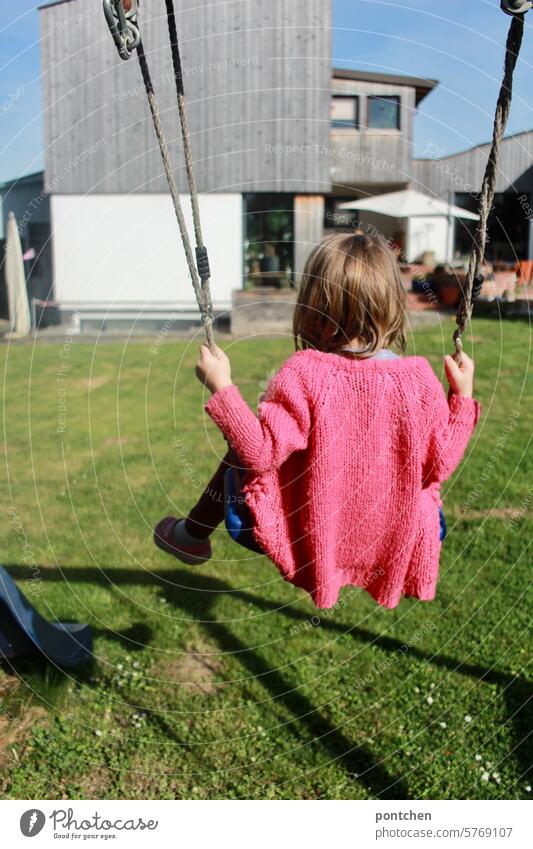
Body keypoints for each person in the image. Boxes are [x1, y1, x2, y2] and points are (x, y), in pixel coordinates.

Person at [154, 233, 480, 609]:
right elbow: (439, 463)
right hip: (392, 531)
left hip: (316, 531)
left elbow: (260, 454)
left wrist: (222, 387)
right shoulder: (419, 378)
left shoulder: (305, 373)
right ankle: (192, 533)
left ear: (314, 305)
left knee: (248, 444)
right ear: (392, 302)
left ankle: (193, 533)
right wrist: (463, 397)